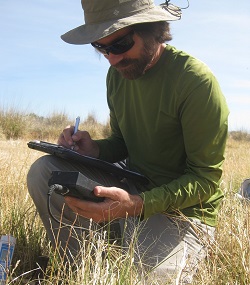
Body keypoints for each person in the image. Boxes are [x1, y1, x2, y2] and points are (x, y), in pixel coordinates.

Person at [27, 0, 229, 283]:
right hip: (132, 185)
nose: (111, 59)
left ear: (153, 31)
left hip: (181, 211)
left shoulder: (195, 83)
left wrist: (137, 205)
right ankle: (78, 269)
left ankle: (126, 232)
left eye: (119, 45)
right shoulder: (117, 76)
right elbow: (123, 142)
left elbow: (205, 180)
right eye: (101, 47)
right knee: (44, 172)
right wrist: (94, 149)